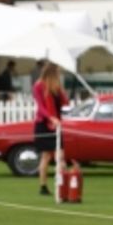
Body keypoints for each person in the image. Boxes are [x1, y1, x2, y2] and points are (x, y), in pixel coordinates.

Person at [32, 62, 68, 196]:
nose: (59, 74)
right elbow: (40, 107)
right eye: (58, 72)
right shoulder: (38, 86)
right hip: (43, 124)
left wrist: (62, 91)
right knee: (46, 156)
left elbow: (65, 102)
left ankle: (61, 184)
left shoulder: (56, 87)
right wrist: (50, 118)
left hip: (57, 124)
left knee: (61, 155)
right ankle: (43, 186)